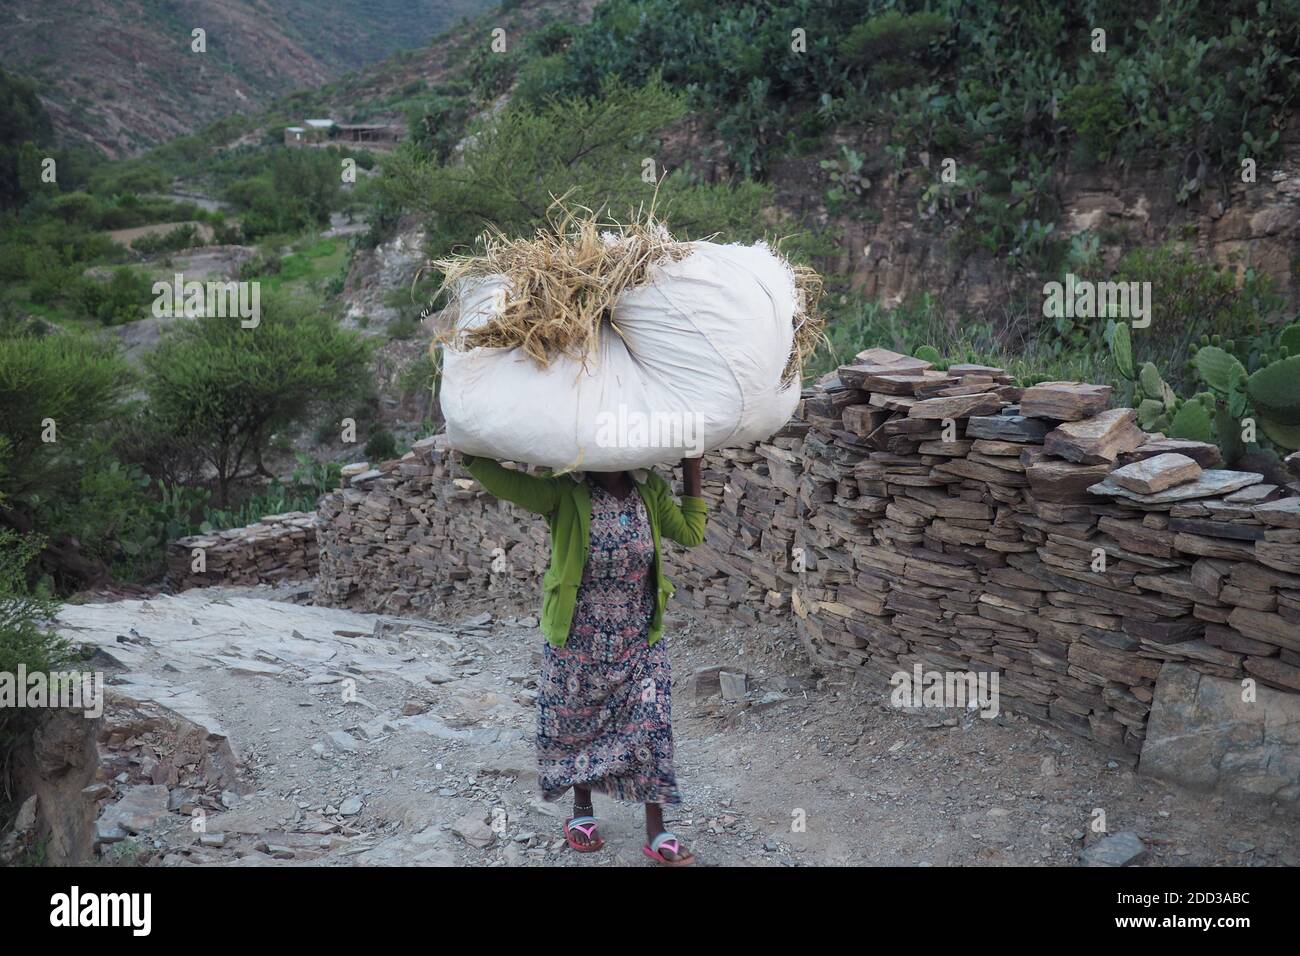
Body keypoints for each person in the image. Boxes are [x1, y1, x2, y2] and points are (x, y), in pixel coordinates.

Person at [457, 451, 706, 865]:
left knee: (651, 726)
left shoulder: (651, 491)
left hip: (639, 636)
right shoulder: (564, 493)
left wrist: (692, 466)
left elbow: (692, 533)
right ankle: (581, 813)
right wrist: (471, 457)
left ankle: (657, 829)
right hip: (580, 634)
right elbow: (513, 486)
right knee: (578, 722)